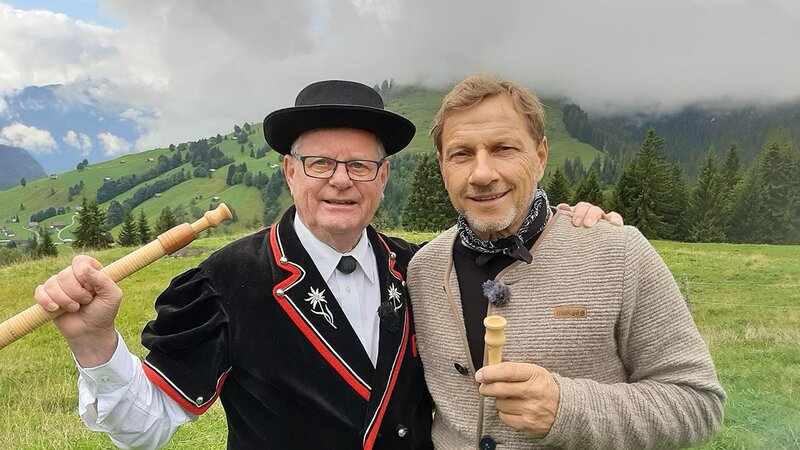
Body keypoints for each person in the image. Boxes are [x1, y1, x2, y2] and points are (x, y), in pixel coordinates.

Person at [34, 80, 615, 449]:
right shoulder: (226, 281)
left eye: (360, 166)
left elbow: (507, 258)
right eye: (319, 163)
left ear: (383, 178)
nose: (341, 180)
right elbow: (146, 427)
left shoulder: (420, 269)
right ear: (290, 172)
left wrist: (568, 226)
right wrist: (95, 344)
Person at [406, 75, 726, 450]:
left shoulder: (618, 252)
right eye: (461, 154)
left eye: (503, 148)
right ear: (442, 166)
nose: (482, 174)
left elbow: (698, 403)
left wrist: (567, 409)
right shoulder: (422, 270)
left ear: (540, 157)